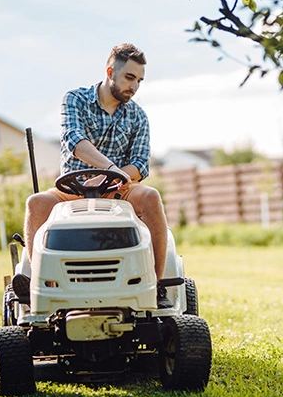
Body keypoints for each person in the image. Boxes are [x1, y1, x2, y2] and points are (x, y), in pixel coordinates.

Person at [18, 43, 172, 308]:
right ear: (111, 71)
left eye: (139, 81)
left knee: (150, 197)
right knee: (36, 203)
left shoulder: (138, 116)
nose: (134, 86)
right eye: (129, 78)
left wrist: (113, 177)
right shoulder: (75, 99)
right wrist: (108, 169)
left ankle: (155, 286)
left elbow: (140, 165)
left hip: (119, 189)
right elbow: (75, 141)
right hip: (72, 188)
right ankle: (37, 285)